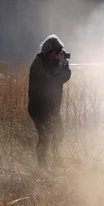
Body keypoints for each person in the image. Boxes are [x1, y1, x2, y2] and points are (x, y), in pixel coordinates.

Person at [27, 34, 71, 169]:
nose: (59, 55)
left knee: (59, 134)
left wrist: (64, 63)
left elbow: (64, 78)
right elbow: (51, 76)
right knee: (45, 137)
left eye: (60, 52)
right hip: (39, 108)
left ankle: (56, 161)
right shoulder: (39, 64)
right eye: (57, 52)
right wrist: (61, 63)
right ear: (49, 51)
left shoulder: (54, 64)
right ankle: (42, 167)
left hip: (52, 108)